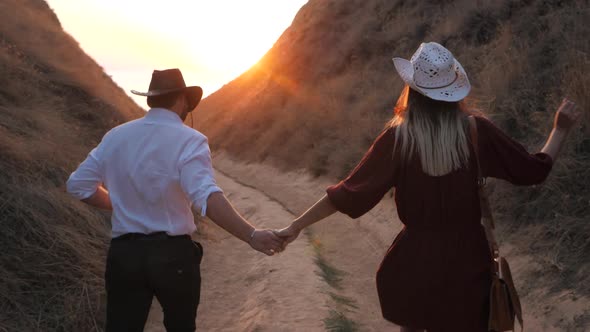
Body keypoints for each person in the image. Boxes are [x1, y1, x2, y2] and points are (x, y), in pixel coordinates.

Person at [277, 42, 580, 331]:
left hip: (414, 266)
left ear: (411, 89)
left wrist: (296, 226)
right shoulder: (477, 133)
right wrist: (559, 130)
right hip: (468, 268)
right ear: (453, 90)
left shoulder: (398, 140)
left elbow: (347, 195)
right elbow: (533, 171)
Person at [66, 69, 284, 332]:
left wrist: (119, 203)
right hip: (173, 257)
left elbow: (78, 185)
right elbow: (206, 197)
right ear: (181, 100)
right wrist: (250, 234)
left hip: (124, 255)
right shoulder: (190, 139)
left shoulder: (116, 136)